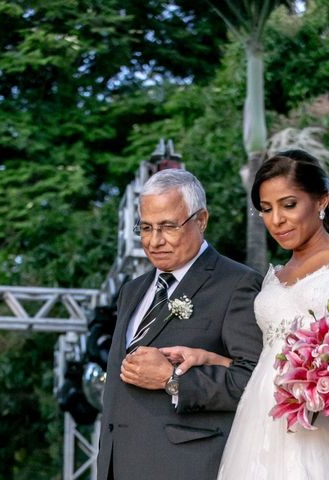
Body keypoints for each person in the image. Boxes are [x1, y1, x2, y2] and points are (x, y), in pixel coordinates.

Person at [161, 150, 329, 479]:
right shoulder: (273, 278)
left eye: (288, 205)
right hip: (261, 425)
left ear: (321, 200)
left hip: (328, 425)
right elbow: (268, 362)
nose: (276, 220)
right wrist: (208, 357)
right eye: (266, 209)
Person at [96, 168, 264, 480]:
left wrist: (173, 380)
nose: (154, 241)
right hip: (118, 465)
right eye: (145, 228)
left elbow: (254, 381)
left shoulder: (237, 284)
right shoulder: (131, 291)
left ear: (201, 220)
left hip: (188, 467)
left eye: (168, 226)